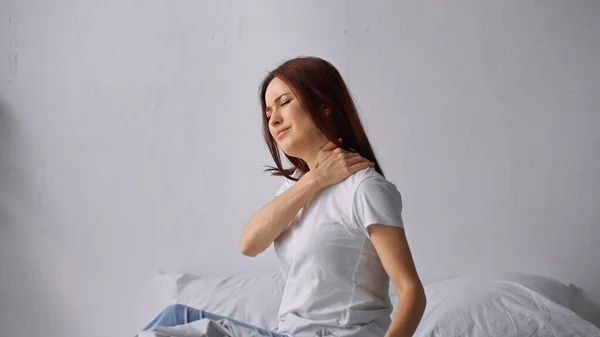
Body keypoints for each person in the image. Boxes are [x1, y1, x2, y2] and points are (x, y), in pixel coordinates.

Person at [138, 56, 426, 337]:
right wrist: (315, 179)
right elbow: (249, 243)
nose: (274, 119)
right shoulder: (298, 188)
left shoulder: (364, 188)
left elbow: (411, 292)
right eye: (267, 113)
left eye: (284, 103)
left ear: (325, 105)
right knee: (173, 318)